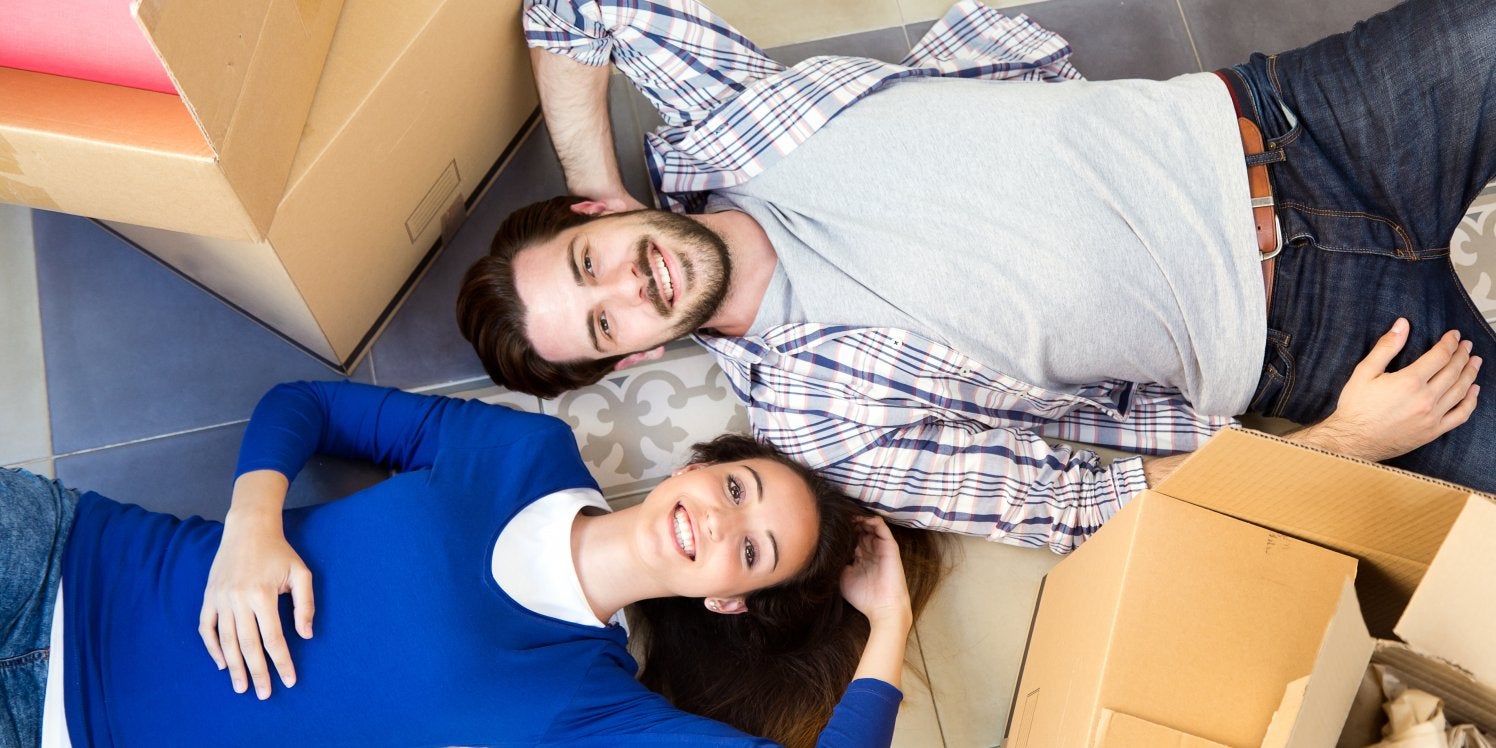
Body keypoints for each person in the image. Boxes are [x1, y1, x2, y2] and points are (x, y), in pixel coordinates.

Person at [457, 0, 1495, 551]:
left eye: (591, 262)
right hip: (1326, 341)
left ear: (595, 216)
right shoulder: (819, 424)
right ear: (631, 353)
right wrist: (1340, 447)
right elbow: (1075, 507)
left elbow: (573, 4)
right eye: (604, 326)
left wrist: (603, 190)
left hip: (1296, 122)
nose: (629, 286)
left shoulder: (722, 122)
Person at [0, 380, 943, 747]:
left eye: (752, 552)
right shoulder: (526, 454)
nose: (716, 523)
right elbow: (307, 407)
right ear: (698, 466)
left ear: (731, 600)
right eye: (736, 488)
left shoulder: (590, 705)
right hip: (64, 557)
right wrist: (254, 518)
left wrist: (887, 625)